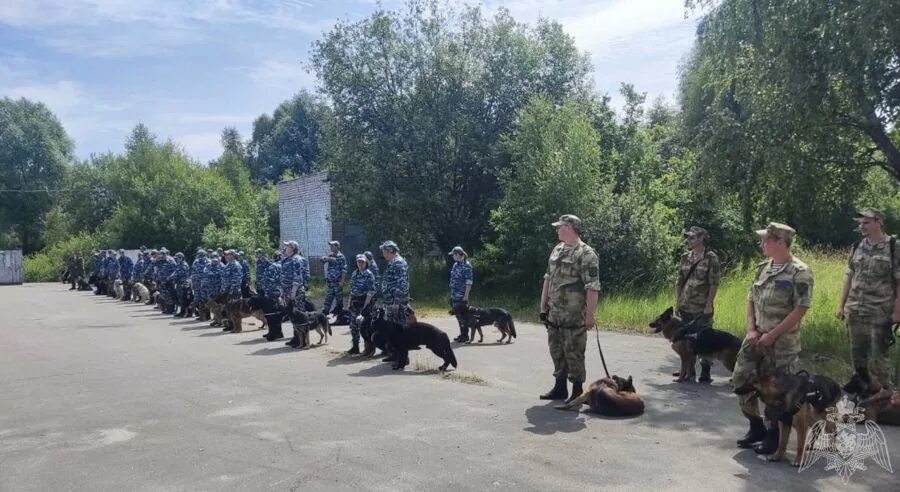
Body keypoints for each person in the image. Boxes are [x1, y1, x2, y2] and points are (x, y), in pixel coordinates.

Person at [732, 222, 814, 455]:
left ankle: (773, 435)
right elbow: (751, 300)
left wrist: (772, 335)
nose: (762, 244)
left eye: (766, 240)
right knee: (741, 380)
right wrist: (751, 329)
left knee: (778, 392)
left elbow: (801, 309)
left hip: (781, 344)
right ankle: (755, 426)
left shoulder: (800, 271)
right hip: (755, 339)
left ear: (781, 242)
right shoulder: (762, 268)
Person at [539, 215, 601, 405]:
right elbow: (548, 278)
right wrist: (543, 306)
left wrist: (590, 315)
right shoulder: (557, 249)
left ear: (570, 227)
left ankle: (577, 391)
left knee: (574, 352)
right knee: (556, 350)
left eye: (560, 227)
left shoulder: (586, 253)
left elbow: (592, 286)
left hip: (574, 315)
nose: (557, 230)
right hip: (555, 313)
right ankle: (559, 387)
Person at [837, 208, 899, 390]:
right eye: (860, 223)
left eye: (866, 222)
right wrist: (841, 306)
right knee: (858, 357)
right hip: (855, 310)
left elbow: (899, 281)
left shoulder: (893, 246)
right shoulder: (857, 246)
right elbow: (849, 278)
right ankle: (864, 392)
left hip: (879, 311)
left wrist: (897, 311)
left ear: (878, 221)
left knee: (879, 358)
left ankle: (885, 395)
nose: (861, 226)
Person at [674, 226, 721, 382]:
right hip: (686, 304)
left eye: (693, 237)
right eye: (688, 237)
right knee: (686, 338)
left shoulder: (711, 257)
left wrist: (709, 304)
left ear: (701, 238)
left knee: (704, 337)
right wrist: (677, 301)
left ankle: (705, 370)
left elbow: (714, 283)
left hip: (701, 306)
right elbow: (679, 282)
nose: (689, 240)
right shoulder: (685, 257)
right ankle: (688, 369)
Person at [348, 254, 376, 354]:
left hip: (364, 303)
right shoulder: (355, 274)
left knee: (366, 327)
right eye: (359, 262)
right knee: (353, 326)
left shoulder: (369, 274)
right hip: (354, 304)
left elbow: (371, 292)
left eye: (362, 262)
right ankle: (355, 347)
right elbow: (352, 290)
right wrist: (349, 303)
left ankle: (369, 348)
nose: (360, 264)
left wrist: (365, 307)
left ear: (366, 263)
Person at [379, 240, 409, 325]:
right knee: (391, 328)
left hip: (396, 303)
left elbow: (401, 284)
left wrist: (396, 302)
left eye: (384, 251)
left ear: (390, 251)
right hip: (390, 302)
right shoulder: (392, 262)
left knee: (399, 328)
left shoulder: (398, 263)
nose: (383, 253)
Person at [448, 246, 474, 343]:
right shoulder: (456, 265)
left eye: (453, 255)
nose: (452, 257)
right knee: (458, 316)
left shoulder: (467, 266)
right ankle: (462, 334)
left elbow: (469, 282)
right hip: (454, 295)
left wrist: (466, 295)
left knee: (463, 316)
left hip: (461, 295)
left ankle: (465, 335)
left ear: (459, 254)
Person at [259, 251, 284, 341]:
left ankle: (275, 333)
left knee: (272, 314)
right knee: (275, 313)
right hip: (278, 291)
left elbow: (268, 280)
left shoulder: (274, 266)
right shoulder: (283, 265)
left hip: (273, 292)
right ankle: (275, 332)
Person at [321, 240, 348, 315]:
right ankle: (324, 314)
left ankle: (340, 316)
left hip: (337, 282)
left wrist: (342, 282)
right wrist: (328, 258)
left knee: (339, 300)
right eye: (330, 246)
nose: (331, 247)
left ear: (337, 247)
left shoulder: (341, 257)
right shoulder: (330, 255)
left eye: (333, 246)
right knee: (328, 299)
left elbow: (344, 270)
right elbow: (322, 260)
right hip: (330, 282)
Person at [221, 250, 244, 332]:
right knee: (229, 309)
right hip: (227, 291)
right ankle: (231, 325)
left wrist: (231, 290)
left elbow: (236, 280)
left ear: (232, 255)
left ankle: (237, 327)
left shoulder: (236, 265)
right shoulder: (228, 264)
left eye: (227, 254)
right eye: (225, 254)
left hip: (234, 292)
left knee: (235, 310)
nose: (225, 256)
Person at [202, 253, 224, 326]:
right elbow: (205, 274)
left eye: (216, 260)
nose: (214, 262)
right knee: (212, 306)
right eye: (213, 260)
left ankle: (220, 321)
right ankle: (216, 319)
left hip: (219, 290)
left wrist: (213, 274)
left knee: (219, 306)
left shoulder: (222, 266)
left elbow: (224, 276)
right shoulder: (208, 266)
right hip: (210, 289)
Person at [190, 250, 209, 319]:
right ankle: (201, 315)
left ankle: (207, 315)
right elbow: (193, 272)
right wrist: (192, 282)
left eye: (202, 256)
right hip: (197, 284)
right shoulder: (196, 262)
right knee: (198, 299)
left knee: (205, 299)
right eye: (199, 256)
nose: (200, 257)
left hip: (204, 285)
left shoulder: (208, 262)